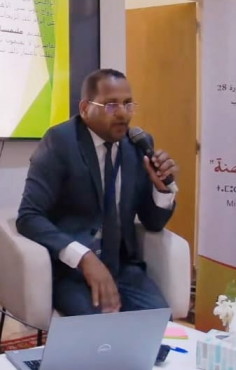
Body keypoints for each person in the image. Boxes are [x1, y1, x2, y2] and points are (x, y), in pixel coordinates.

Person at [17, 69, 179, 316]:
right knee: (97, 332)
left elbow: (153, 223)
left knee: (159, 325)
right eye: (111, 105)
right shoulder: (60, 141)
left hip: (122, 266)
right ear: (85, 108)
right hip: (72, 269)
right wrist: (84, 257)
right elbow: (29, 216)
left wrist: (161, 189)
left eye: (128, 104)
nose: (123, 113)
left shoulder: (137, 144)